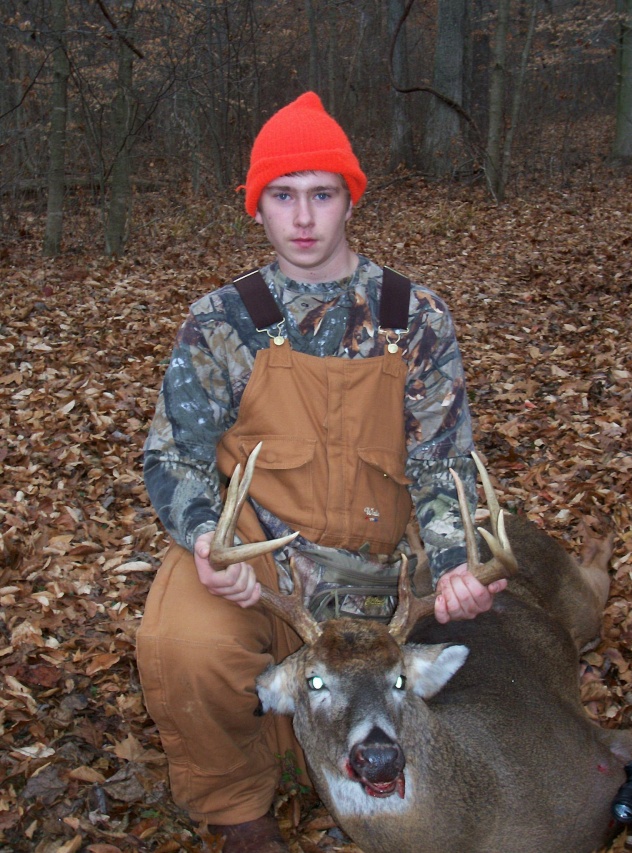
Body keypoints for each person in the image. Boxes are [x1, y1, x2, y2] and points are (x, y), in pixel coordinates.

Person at [137, 92, 507, 853]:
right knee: (184, 648)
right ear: (257, 207)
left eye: (322, 194)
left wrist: (452, 566)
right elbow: (173, 456)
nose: (303, 218)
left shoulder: (415, 318)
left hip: (379, 581)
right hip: (257, 570)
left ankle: (310, 745)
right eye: (282, 195)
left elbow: (442, 465)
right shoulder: (223, 320)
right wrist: (207, 541)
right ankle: (239, 808)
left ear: (349, 200)